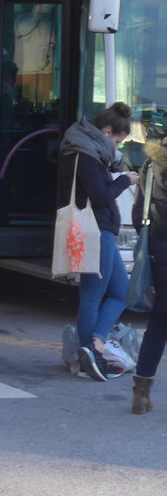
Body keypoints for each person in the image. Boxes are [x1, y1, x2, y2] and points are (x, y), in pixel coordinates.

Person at [59, 101, 139, 381]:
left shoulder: (88, 150)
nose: (118, 147)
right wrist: (125, 181)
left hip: (100, 228)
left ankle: (95, 344)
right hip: (94, 229)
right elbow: (101, 195)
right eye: (118, 140)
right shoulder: (86, 155)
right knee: (93, 295)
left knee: (121, 291)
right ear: (106, 132)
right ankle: (88, 357)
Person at [130, 136, 167, 413]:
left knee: (158, 324)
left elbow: (137, 210)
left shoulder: (151, 162)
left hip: (157, 248)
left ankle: (140, 394)